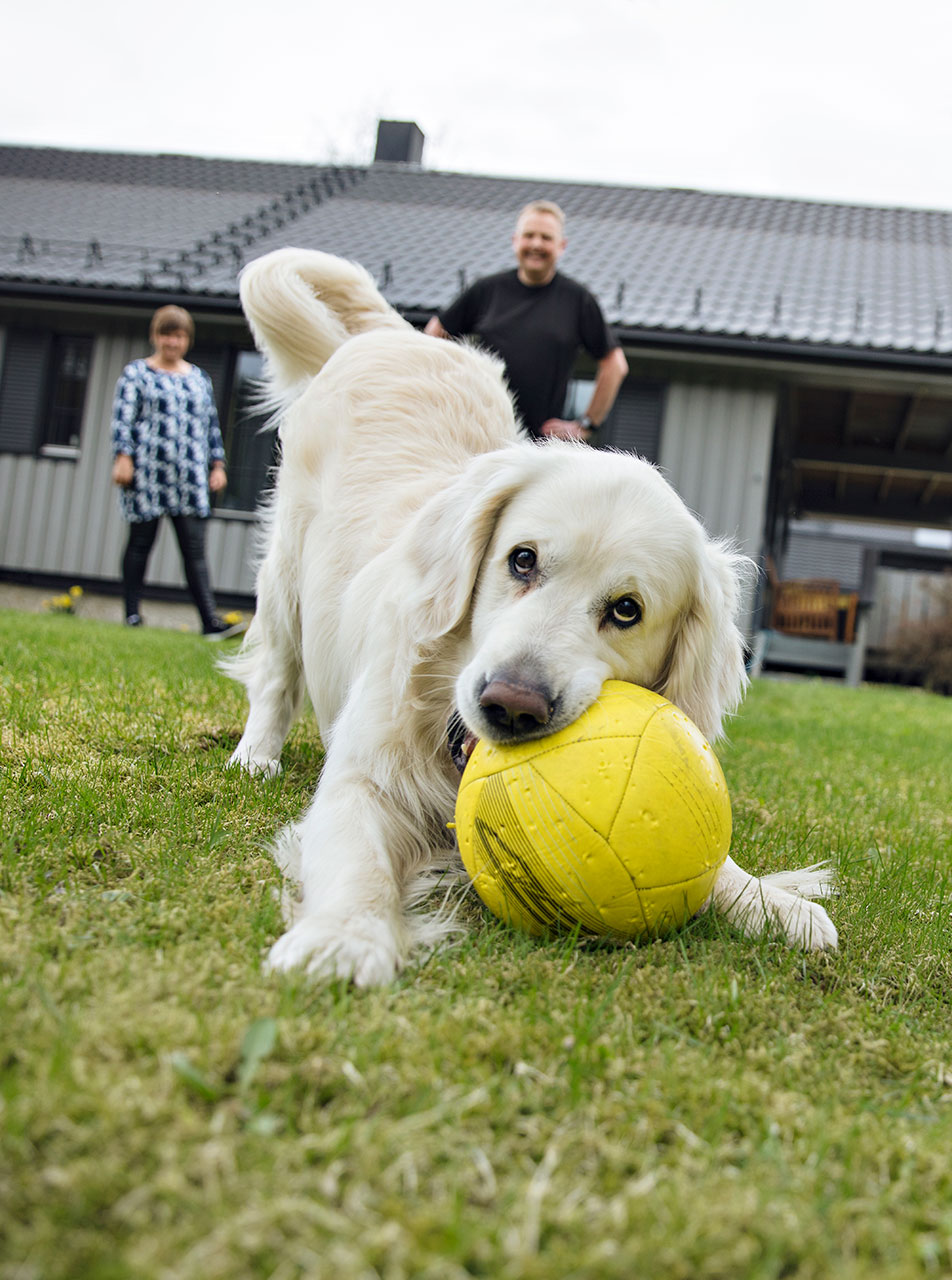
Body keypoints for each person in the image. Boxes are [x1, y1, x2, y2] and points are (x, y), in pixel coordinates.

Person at [424, 200, 629, 441]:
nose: (536, 244)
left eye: (546, 237)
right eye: (529, 235)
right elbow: (433, 337)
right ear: (515, 240)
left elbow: (615, 365)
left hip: (537, 448)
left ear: (561, 246)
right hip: (479, 435)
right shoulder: (486, 290)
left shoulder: (577, 300)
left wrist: (586, 424)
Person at [110, 304, 244, 638]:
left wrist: (218, 465)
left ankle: (209, 622)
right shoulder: (137, 374)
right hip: (147, 474)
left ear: (187, 340)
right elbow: (122, 419)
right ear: (156, 337)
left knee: (195, 551)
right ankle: (131, 614)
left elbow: (211, 426)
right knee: (140, 543)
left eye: (179, 336)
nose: (173, 342)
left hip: (189, 477)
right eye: (167, 335)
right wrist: (123, 457)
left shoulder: (199, 379)